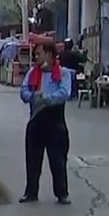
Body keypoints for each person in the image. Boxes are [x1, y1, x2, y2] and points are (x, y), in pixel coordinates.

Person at [20, 41, 73, 205]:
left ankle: (62, 193)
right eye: (35, 54)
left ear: (49, 55)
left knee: (58, 160)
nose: (36, 57)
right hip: (36, 118)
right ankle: (31, 192)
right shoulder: (33, 72)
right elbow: (24, 91)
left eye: (39, 54)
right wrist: (33, 96)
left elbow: (64, 92)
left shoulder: (63, 73)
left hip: (55, 119)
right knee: (32, 159)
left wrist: (47, 99)